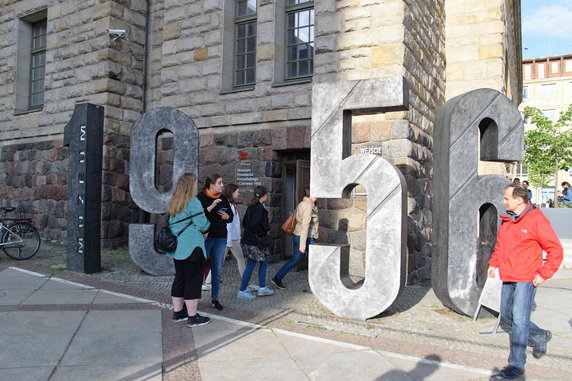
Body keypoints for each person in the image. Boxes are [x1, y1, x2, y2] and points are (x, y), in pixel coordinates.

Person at [487, 183, 563, 379]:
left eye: (506, 198)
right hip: (508, 276)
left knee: (520, 321)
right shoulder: (507, 221)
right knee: (506, 316)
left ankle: (516, 366)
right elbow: (500, 245)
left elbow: (556, 250)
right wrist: (493, 264)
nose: (504, 201)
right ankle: (540, 336)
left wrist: (543, 274)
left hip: (527, 278)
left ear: (519, 201)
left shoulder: (537, 220)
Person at [166, 173, 211, 327]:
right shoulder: (193, 202)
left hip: (178, 248)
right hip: (193, 246)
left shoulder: (174, 202)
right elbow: (203, 224)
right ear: (190, 186)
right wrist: (206, 229)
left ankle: (178, 312)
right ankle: (193, 317)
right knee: (193, 281)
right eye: (195, 183)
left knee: (180, 279)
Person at [197, 174, 234, 311]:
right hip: (205, 238)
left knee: (217, 270)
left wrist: (227, 216)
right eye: (219, 183)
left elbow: (231, 217)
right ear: (211, 185)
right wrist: (212, 206)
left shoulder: (223, 198)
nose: (222, 185)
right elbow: (198, 216)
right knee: (198, 267)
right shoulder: (200, 198)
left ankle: (215, 299)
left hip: (220, 237)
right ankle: (193, 297)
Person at [272, 186, 319, 289]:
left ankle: (277, 278)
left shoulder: (304, 204)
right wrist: (303, 245)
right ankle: (317, 286)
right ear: (312, 195)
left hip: (299, 236)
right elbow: (305, 227)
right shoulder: (307, 207)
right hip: (306, 238)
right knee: (316, 261)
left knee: (295, 261)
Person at [236, 186, 275, 299]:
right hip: (256, 242)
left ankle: (262, 288)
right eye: (266, 195)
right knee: (252, 265)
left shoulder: (251, 207)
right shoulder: (259, 209)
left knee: (263, 261)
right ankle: (242, 290)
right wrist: (262, 233)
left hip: (249, 240)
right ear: (263, 196)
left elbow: (244, 223)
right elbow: (254, 225)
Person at [225, 184, 258, 291]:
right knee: (240, 260)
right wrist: (231, 241)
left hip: (231, 239)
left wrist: (238, 239)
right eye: (237, 192)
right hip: (230, 239)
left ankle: (207, 282)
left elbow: (235, 225)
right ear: (232, 192)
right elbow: (229, 226)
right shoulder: (230, 206)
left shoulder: (231, 206)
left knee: (219, 262)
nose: (238, 194)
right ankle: (246, 283)